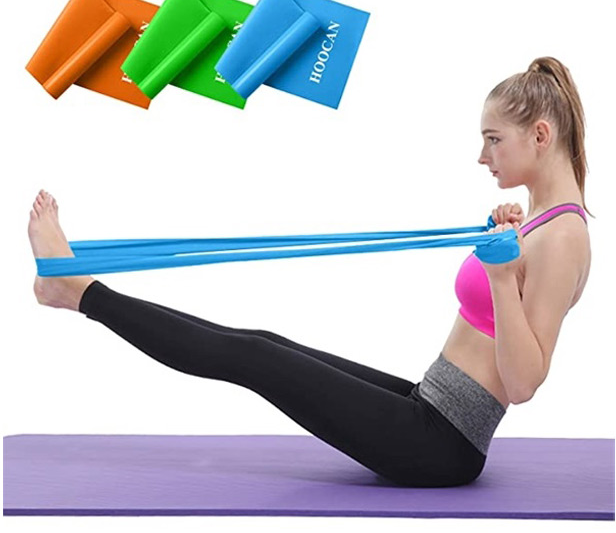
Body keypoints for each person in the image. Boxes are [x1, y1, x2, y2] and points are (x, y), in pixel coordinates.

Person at [27, 56, 591, 488]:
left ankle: (76, 291)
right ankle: (72, 288)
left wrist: (499, 274)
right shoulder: (539, 220)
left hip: (443, 444)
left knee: (253, 358)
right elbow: (501, 313)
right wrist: (501, 246)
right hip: (430, 402)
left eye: (493, 139)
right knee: (264, 342)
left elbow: (524, 383)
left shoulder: (563, 236)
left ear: (540, 136)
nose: (482, 155)